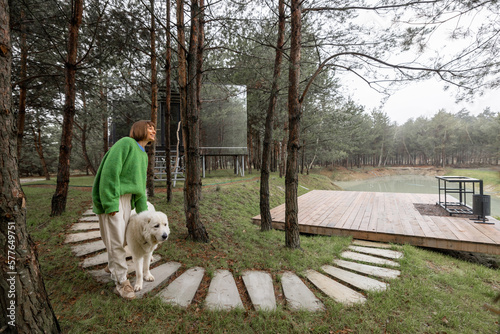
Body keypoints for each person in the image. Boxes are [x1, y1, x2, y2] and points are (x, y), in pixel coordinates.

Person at [92, 120, 156, 299]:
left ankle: (112, 265)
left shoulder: (143, 154)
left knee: (125, 238)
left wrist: (145, 215)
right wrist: (110, 203)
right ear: (139, 129)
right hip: (113, 197)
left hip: (128, 200)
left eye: (154, 128)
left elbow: (140, 185)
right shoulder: (126, 143)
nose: (153, 130)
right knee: (116, 241)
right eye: (149, 127)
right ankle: (121, 282)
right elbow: (110, 172)